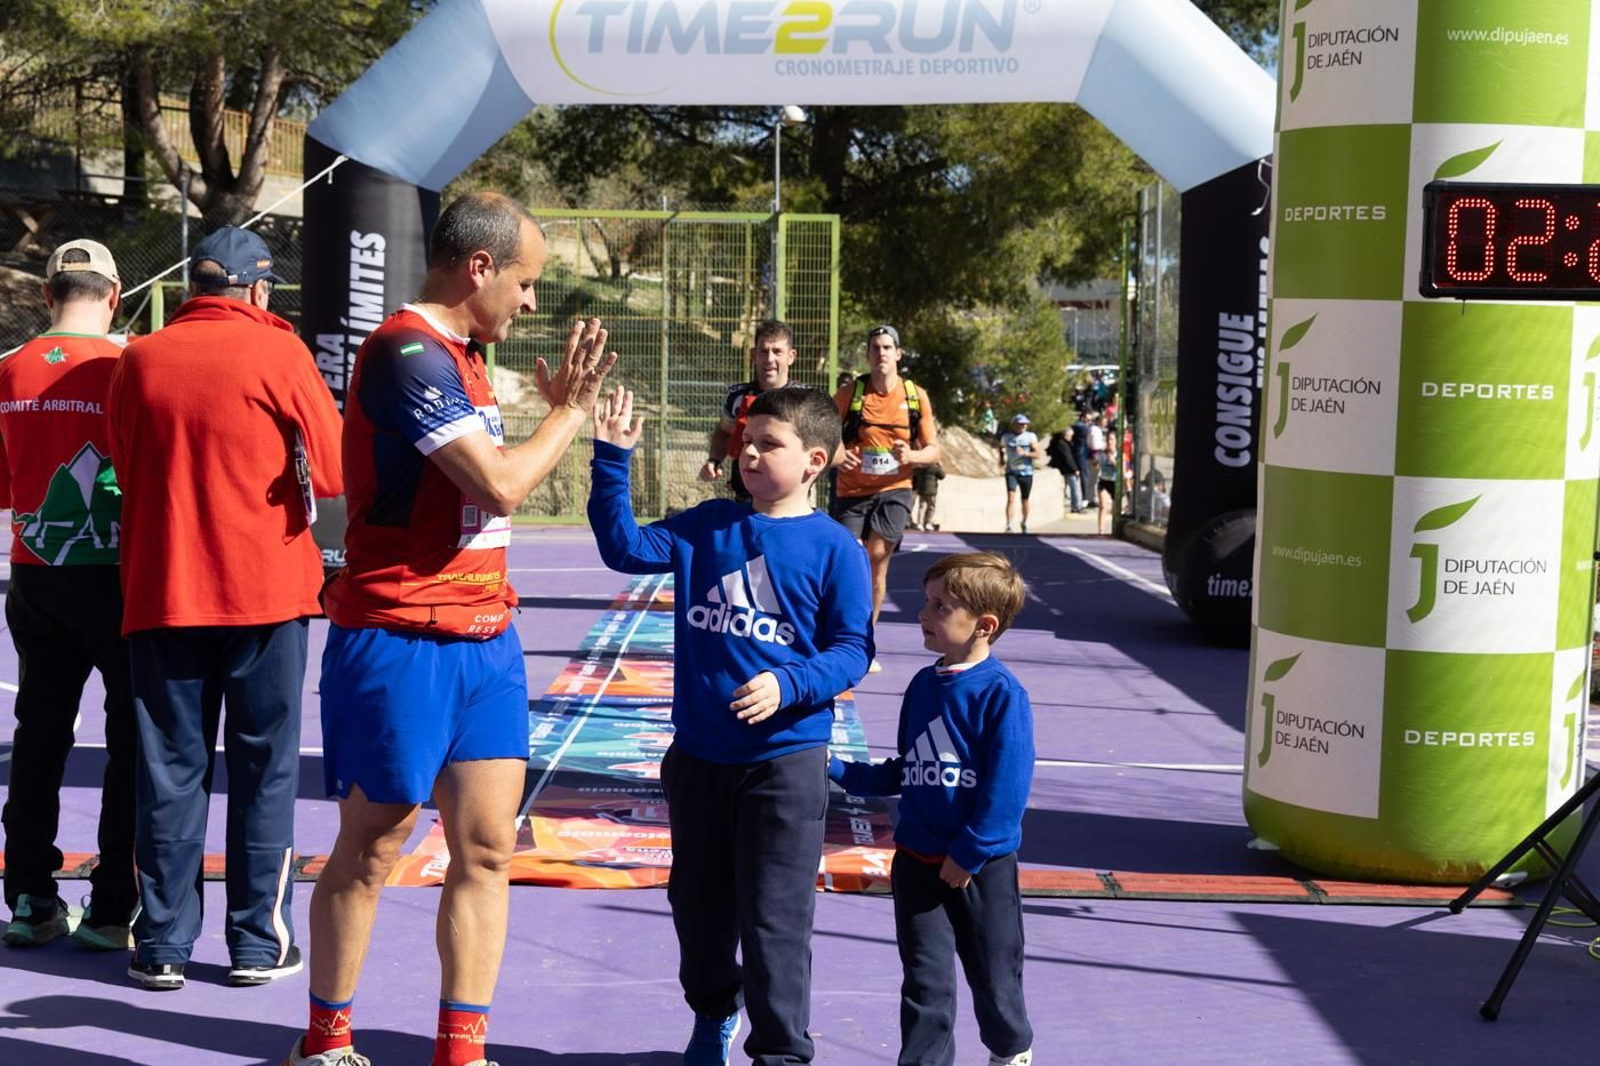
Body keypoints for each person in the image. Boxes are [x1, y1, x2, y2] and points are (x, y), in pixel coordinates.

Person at [295, 192, 617, 1066]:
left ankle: (462, 1051)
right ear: (479, 268)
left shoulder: (468, 359)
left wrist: (557, 412)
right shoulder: (404, 352)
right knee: (375, 848)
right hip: (399, 638)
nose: (532, 301)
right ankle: (327, 1043)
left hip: (486, 642)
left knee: (487, 850)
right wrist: (570, 413)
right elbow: (500, 486)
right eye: (526, 281)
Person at [589, 383, 872, 1066]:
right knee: (699, 911)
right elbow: (624, 548)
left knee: (775, 922)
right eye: (746, 440)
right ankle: (715, 1010)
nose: (748, 452)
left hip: (786, 763)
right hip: (699, 759)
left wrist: (789, 683)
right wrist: (611, 459)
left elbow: (852, 650)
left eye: (768, 444)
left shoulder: (836, 548)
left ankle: (781, 1054)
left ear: (815, 460)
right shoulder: (708, 525)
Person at [106, 226, 344, 991]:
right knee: (265, 769)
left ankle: (161, 944)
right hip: (266, 592)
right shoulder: (280, 351)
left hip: (164, 590)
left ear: (193, 287)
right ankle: (255, 943)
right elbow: (334, 469)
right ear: (259, 289)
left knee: (168, 771)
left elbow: (121, 457)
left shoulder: (140, 357)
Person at [830, 551, 1034, 1066]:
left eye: (940, 606)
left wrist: (970, 852)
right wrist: (839, 770)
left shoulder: (1001, 695)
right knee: (925, 981)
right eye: (927, 601)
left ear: (984, 625)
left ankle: (1011, 1050)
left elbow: (1007, 790)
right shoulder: (923, 685)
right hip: (917, 863)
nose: (923, 614)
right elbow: (909, 766)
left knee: (994, 977)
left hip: (980, 868)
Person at [0, 239, 138, 951]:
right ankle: (113, 910)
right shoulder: (128, 364)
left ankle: (30, 898)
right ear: (114, 295)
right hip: (116, 576)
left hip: (35, 572)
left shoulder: (9, 368)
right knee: (131, 739)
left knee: (39, 734)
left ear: (46, 294)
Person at [831, 324, 941, 672]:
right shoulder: (850, 394)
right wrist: (840, 456)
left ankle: (862, 643)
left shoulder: (915, 396)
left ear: (898, 354)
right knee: (847, 560)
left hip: (895, 488)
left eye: (887, 347)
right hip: (851, 490)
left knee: (876, 557)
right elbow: (824, 437)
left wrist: (912, 456)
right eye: (875, 347)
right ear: (868, 355)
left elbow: (933, 449)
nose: (881, 353)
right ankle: (837, 633)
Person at [698, 320, 800, 502]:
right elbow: (724, 431)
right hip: (746, 500)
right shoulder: (737, 396)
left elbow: (832, 449)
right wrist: (714, 460)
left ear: (791, 356)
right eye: (763, 351)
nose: (769, 359)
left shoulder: (805, 399)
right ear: (753, 354)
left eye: (777, 351)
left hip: (791, 502)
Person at [998, 414, 1039, 534]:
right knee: (1010, 498)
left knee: (1025, 500)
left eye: (1025, 424)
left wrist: (1025, 453)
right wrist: (1001, 459)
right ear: (1014, 424)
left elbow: (1037, 454)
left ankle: (1024, 522)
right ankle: (1009, 525)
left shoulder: (1031, 437)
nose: (1024, 426)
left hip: (1026, 472)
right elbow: (1001, 447)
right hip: (1011, 472)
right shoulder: (1006, 437)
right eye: (1021, 424)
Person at [1046, 427, 1082, 514]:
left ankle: (1075, 506)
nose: (1071, 438)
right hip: (1068, 469)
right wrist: (1075, 469)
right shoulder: (1063, 444)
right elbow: (1068, 458)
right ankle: (1076, 506)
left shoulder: (1058, 442)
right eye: (1070, 436)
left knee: (1071, 488)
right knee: (1075, 488)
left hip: (1062, 468)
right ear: (1066, 435)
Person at [910, 460, 945, 532]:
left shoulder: (920, 468)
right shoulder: (935, 468)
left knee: (922, 507)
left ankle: (920, 523)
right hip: (932, 491)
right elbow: (942, 476)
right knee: (931, 507)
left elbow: (914, 472)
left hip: (922, 490)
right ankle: (928, 523)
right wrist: (940, 467)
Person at [1070, 409, 1093, 510]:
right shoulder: (1080, 426)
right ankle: (1085, 498)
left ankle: (1085, 497)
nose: (1089, 422)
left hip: (1084, 453)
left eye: (1090, 420)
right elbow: (1088, 431)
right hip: (1081, 454)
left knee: (1084, 475)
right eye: (1087, 420)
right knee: (1084, 475)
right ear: (1082, 418)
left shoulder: (1080, 426)